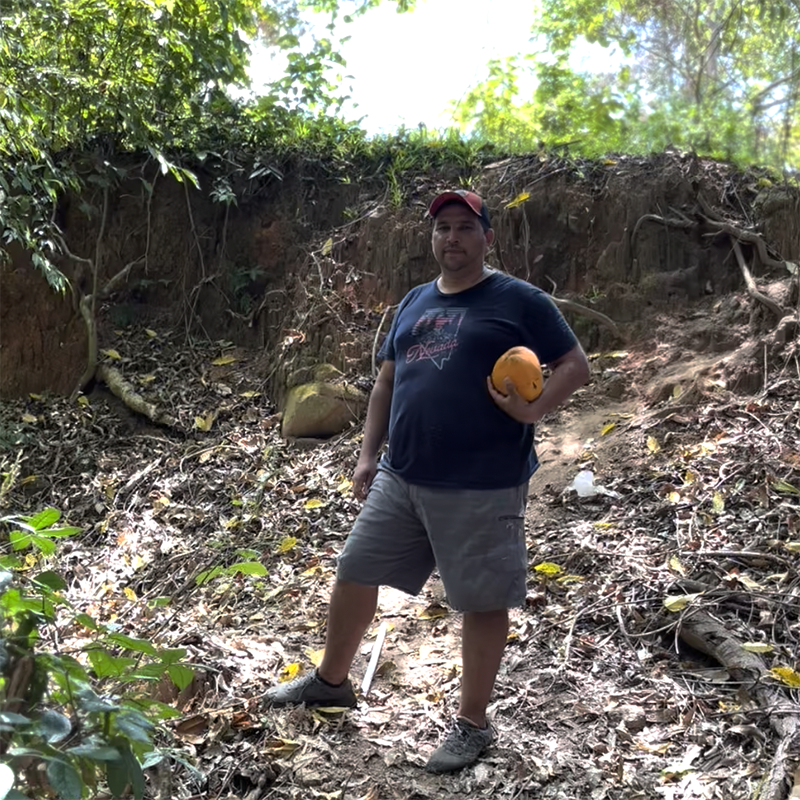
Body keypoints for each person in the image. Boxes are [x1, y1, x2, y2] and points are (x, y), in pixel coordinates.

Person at [266, 189, 590, 773]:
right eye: (443, 229)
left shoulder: (519, 300)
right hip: (402, 474)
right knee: (355, 570)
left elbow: (575, 366)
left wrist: (531, 411)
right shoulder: (414, 301)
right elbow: (388, 383)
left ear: (486, 238)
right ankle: (332, 681)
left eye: (465, 228)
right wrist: (369, 455)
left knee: (482, 601)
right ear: (432, 238)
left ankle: (472, 725)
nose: (453, 238)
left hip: (480, 481)